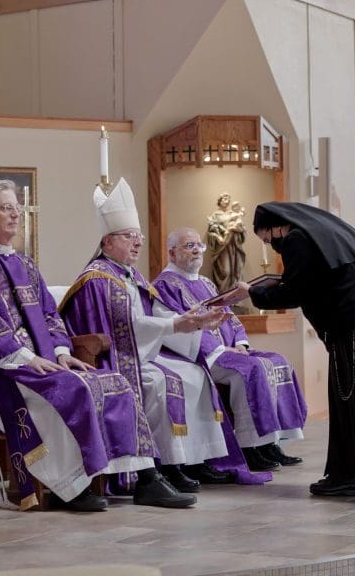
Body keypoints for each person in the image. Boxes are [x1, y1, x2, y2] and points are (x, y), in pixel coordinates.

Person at [0, 180, 197, 511]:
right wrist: (27, 358)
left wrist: (62, 353)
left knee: (114, 381)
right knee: (75, 389)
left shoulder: (25, 265)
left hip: (43, 363)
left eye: (16, 208)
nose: (15, 215)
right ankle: (71, 488)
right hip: (2, 370)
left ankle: (145, 479)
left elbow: (52, 318)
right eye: (5, 208)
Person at [60, 179, 267, 492]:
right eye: (130, 237)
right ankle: (163, 466)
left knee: (195, 373)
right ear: (107, 242)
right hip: (111, 358)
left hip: (140, 352)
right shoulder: (97, 279)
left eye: (139, 236)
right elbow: (122, 327)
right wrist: (176, 326)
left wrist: (190, 321)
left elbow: (151, 317)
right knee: (164, 381)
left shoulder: (132, 276)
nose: (138, 243)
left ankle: (193, 461)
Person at [229, 201, 355, 496]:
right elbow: (317, 278)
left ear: (276, 226)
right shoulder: (322, 229)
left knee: (349, 395)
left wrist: (254, 293)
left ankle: (348, 476)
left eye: (266, 238)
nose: (270, 244)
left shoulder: (296, 238)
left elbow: (295, 291)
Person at [153, 227, 308, 472]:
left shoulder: (206, 282)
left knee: (279, 361)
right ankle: (250, 446)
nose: (196, 250)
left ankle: (271, 442)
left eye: (198, 245)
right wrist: (219, 349)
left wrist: (239, 343)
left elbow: (230, 317)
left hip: (228, 349)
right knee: (251, 369)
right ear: (172, 253)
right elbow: (175, 326)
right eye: (189, 246)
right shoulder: (164, 285)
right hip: (203, 356)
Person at [206, 193, 247, 294]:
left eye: (228, 199)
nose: (226, 201)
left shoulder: (232, 214)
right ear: (219, 201)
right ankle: (222, 297)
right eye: (224, 199)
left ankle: (233, 298)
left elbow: (242, 228)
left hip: (234, 247)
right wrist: (217, 237)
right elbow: (211, 232)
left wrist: (238, 229)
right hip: (222, 248)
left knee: (235, 271)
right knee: (225, 271)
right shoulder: (215, 216)